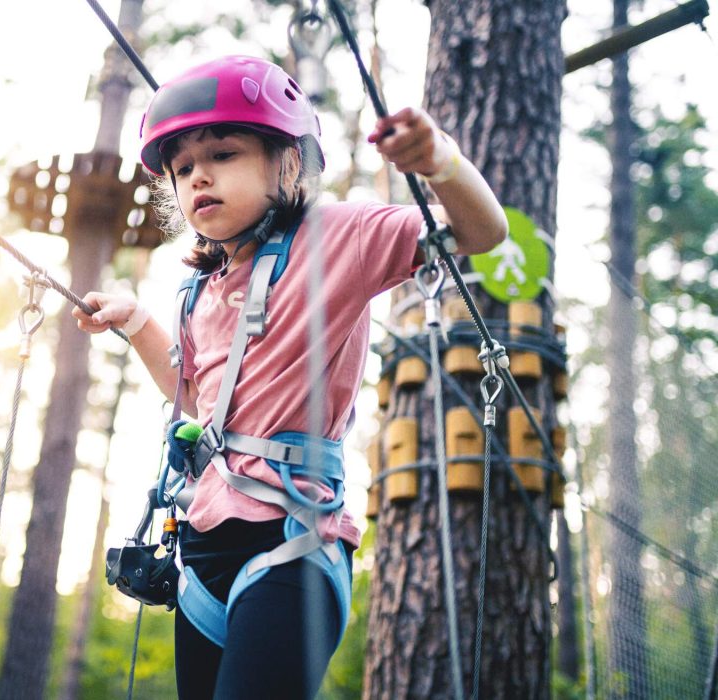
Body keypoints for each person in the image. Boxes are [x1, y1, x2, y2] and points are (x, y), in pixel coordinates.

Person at [73, 55, 506, 700]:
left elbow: (483, 232)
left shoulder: (338, 237)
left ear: (286, 161)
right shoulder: (199, 290)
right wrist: (138, 323)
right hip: (203, 558)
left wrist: (437, 160)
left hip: (291, 546)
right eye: (183, 169)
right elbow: (196, 404)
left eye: (222, 154)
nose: (198, 178)